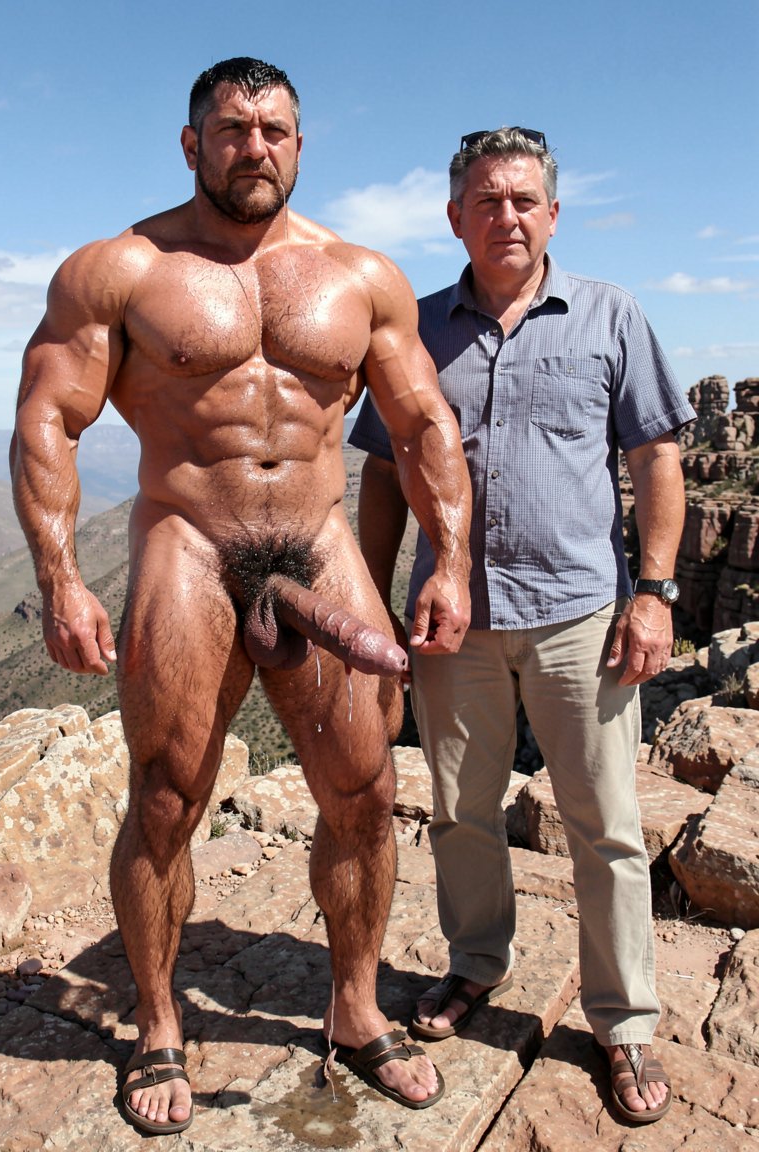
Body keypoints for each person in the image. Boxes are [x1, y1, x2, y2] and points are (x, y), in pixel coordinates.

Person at [10, 57, 472, 1136]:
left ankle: (355, 1007)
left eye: (273, 130)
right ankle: (158, 1022)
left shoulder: (360, 276)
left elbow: (421, 425)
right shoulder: (121, 269)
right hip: (190, 543)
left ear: (299, 145)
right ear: (192, 144)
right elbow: (48, 419)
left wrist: (449, 559)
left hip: (317, 541)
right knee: (167, 797)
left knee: (363, 794)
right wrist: (60, 577)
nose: (253, 146)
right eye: (230, 129)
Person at [349, 126, 695, 1126]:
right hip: (450, 621)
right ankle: (474, 963)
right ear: (454, 216)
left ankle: (622, 1020)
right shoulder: (412, 327)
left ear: (551, 212)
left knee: (605, 825)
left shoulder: (609, 316)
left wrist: (655, 592)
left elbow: (655, 458)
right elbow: (384, 472)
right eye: (486, 200)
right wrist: (370, 598)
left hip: (580, 617)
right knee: (461, 812)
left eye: (523, 199)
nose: (506, 215)